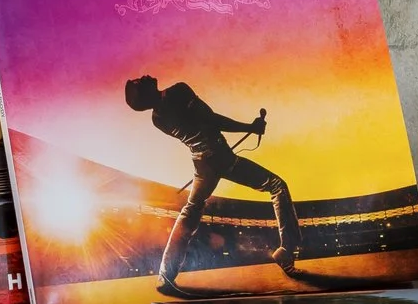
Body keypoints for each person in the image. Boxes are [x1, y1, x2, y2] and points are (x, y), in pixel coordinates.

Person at [125, 74, 300, 286]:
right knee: (277, 186)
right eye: (138, 81)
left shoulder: (157, 119)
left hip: (201, 163)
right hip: (220, 158)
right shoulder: (178, 91)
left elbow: (199, 128)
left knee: (190, 210)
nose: (142, 76)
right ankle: (286, 250)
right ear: (145, 92)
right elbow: (212, 120)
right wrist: (250, 127)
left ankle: (166, 274)